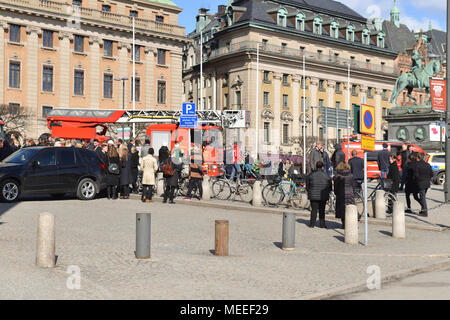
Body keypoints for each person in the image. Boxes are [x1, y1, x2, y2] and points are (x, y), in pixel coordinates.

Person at [306, 161, 332, 228]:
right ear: (323, 167)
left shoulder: (311, 175)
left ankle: (312, 224)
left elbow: (307, 186)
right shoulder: (327, 175)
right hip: (323, 195)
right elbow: (330, 186)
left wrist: (310, 191)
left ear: (316, 166)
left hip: (313, 196)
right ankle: (322, 224)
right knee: (322, 210)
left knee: (314, 210)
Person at [333, 162, 355, 228]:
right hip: (350, 193)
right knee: (349, 208)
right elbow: (353, 185)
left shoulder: (337, 176)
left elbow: (336, 186)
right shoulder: (351, 175)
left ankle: (344, 224)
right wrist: (352, 192)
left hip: (341, 193)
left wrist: (336, 192)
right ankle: (350, 223)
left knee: (342, 209)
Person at [412, 153, 433, 217]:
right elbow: (431, 174)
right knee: (422, 197)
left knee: (422, 197)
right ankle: (423, 209)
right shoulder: (427, 164)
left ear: (417, 158)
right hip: (427, 183)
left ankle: (424, 212)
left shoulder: (417, 165)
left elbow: (415, 175)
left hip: (420, 183)